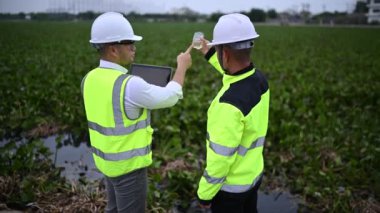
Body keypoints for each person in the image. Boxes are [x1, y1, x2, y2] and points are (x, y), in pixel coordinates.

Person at [81, 12, 192, 213]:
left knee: (113, 209)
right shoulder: (130, 85)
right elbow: (171, 96)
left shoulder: (89, 78)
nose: (134, 47)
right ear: (113, 49)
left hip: (106, 164)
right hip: (129, 170)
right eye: (129, 43)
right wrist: (182, 66)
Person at [195, 13, 270, 213]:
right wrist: (209, 52)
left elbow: (220, 161)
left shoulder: (228, 105)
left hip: (230, 191)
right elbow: (233, 72)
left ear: (225, 53)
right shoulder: (259, 80)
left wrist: (204, 195)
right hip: (253, 176)